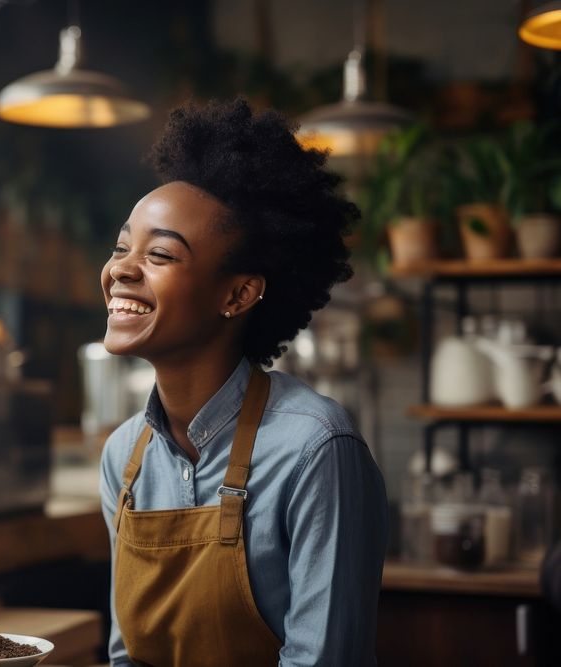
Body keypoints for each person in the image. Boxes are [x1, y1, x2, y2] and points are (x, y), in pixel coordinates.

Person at [98, 99, 388, 666]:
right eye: (121, 246)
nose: (121, 269)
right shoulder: (122, 457)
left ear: (238, 295)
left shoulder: (315, 448)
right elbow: (126, 656)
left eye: (159, 253)